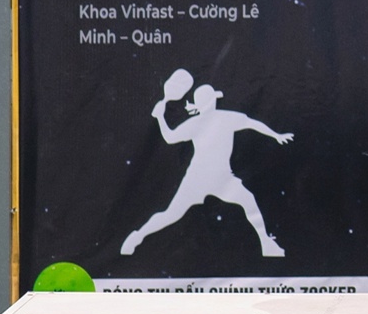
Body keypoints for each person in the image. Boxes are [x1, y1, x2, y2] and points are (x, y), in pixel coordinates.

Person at [120, 82, 291, 258]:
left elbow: (170, 137)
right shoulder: (222, 118)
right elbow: (252, 123)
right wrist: (276, 135)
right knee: (173, 214)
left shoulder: (208, 121)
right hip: (200, 179)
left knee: (246, 201)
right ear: (211, 101)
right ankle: (137, 236)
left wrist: (160, 118)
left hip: (219, 178)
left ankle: (266, 244)